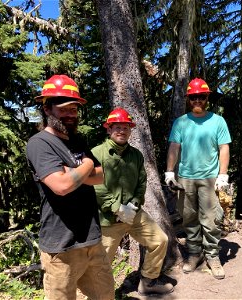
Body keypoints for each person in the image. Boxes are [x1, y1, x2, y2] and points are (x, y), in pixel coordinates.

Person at [26, 74, 115, 300]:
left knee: (105, 296)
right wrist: (85, 166)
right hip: (61, 246)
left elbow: (100, 175)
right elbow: (62, 186)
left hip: (92, 240)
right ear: (47, 109)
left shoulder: (77, 140)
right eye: (64, 109)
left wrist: (75, 170)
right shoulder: (39, 144)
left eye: (74, 109)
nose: (70, 115)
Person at [91, 107, 174, 296]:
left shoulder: (136, 155)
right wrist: (115, 207)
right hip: (107, 220)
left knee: (160, 240)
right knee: (101, 265)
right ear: (108, 129)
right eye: (117, 127)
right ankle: (99, 296)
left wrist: (134, 204)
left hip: (133, 214)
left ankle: (148, 282)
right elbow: (95, 186)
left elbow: (142, 182)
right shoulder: (96, 153)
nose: (122, 130)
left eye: (126, 127)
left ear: (130, 130)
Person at [165, 78, 231, 280]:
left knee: (211, 220)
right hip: (185, 179)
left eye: (201, 97)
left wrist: (223, 174)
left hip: (210, 178)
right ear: (188, 99)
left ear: (207, 98)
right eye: (193, 97)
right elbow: (174, 147)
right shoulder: (181, 122)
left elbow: (224, 148)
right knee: (189, 219)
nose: (197, 100)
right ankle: (194, 254)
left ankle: (212, 256)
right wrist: (169, 172)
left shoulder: (218, 121)